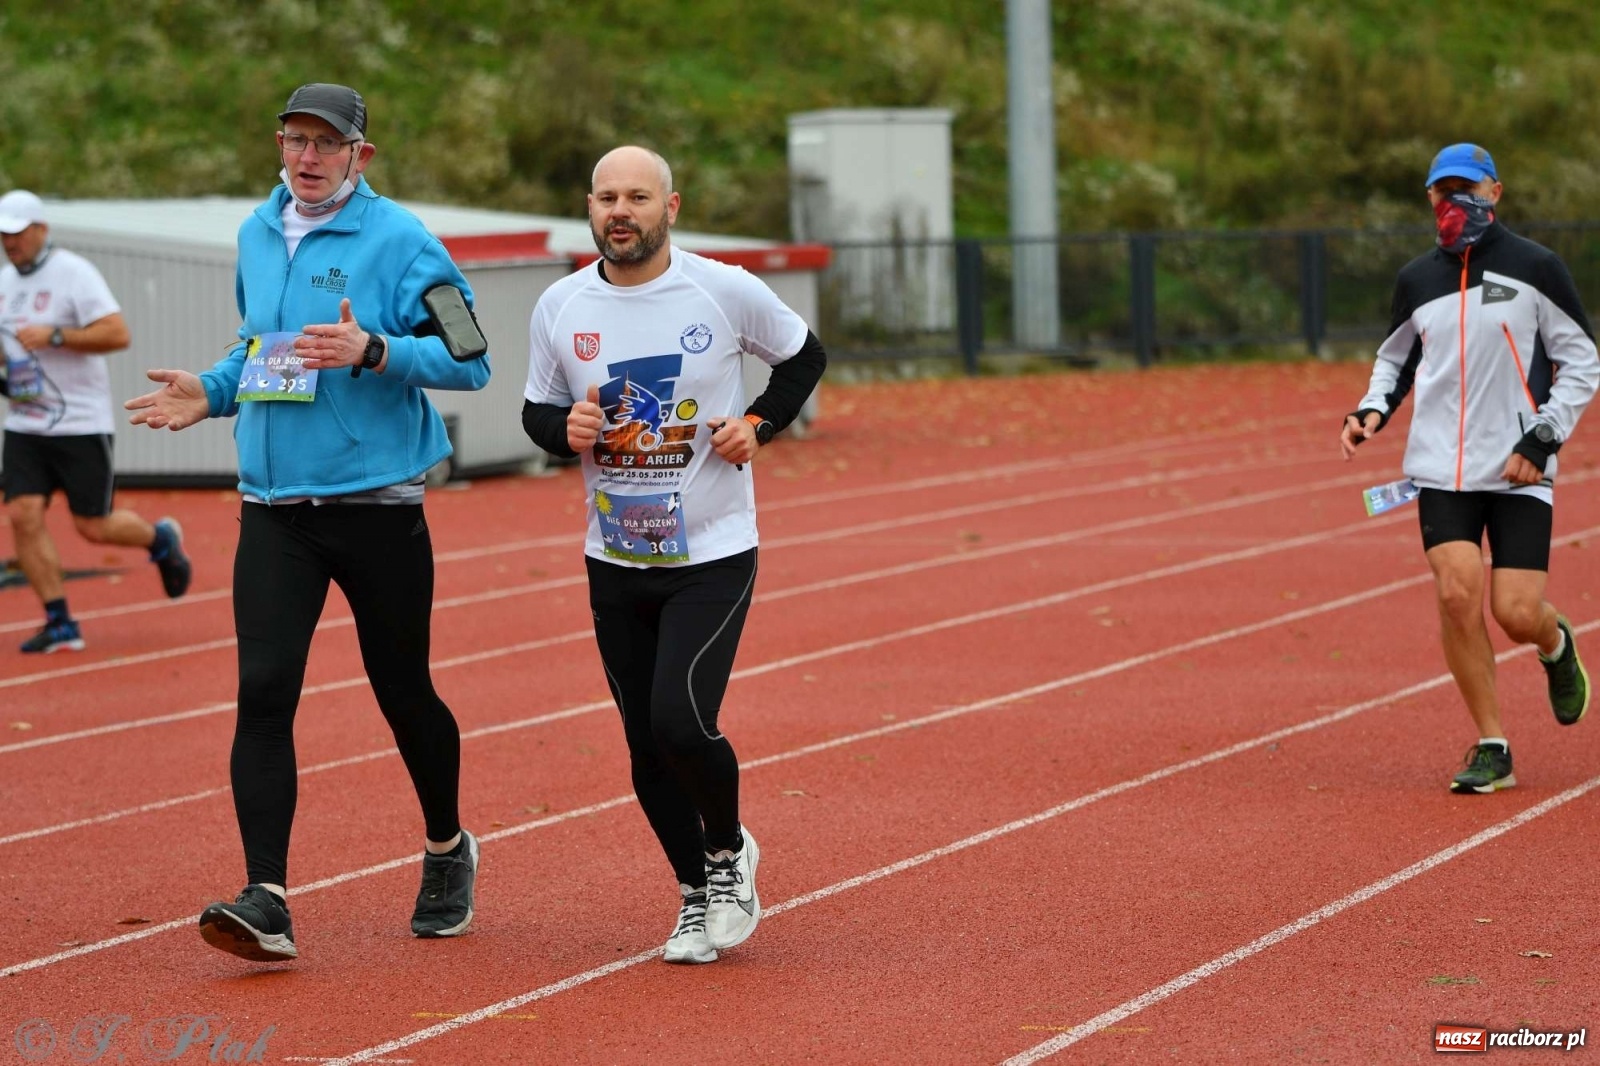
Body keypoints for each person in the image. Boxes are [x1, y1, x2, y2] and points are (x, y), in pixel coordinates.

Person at [125, 84, 490, 961]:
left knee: (403, 693)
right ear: (279, 144)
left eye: (327, 144)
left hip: (377, 507)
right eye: (295, 139)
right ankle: (268, 898)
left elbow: (471, 357)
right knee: (264, 693)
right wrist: (209, 392)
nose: (308, 156)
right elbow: (261, 344)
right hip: (276, 510)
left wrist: (377, 350)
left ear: (361, 155)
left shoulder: (401, 239)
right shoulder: (257, 232)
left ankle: (447, 846)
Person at [521, 146, 826, 964]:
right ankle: (694, 895)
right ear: (589, 207)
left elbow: (804, 358)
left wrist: (757, 425)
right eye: (607, 197)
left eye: (638, 197)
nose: (621, 211)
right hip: (613, 556)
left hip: (714, 551)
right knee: (642, 744)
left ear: (671, 206)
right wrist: (565, 431)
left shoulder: (722, 289)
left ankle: (728, 856)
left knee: (680, 720)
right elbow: (538, 413)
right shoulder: (560, 304)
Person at [1342, 142, 1599, 794]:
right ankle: (1493, 745)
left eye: (1467, 188)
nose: (1453, 200)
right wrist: (1371, 410)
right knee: (1457, 594)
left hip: (1517, 466)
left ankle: (1556, 646)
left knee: (1516, 611)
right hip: (1438, 470)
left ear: (1495, 192)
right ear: (1429, 198)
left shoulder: (1536, 267)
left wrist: (1543, 438)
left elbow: (1583, 362)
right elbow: (1395, 359)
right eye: (1441, 190)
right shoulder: (1417, 279)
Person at [0, 189, 192, 653]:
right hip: (25, 423)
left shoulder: (74, 273)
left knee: (93, 525)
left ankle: (160, 540)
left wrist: (57, 334)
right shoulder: (5, 282)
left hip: (81, 424)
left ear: (41, 230)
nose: (10, 242)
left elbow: (117, 333)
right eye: (3, 235)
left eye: (17, 233)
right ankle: (60, 621)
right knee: (23, 514)